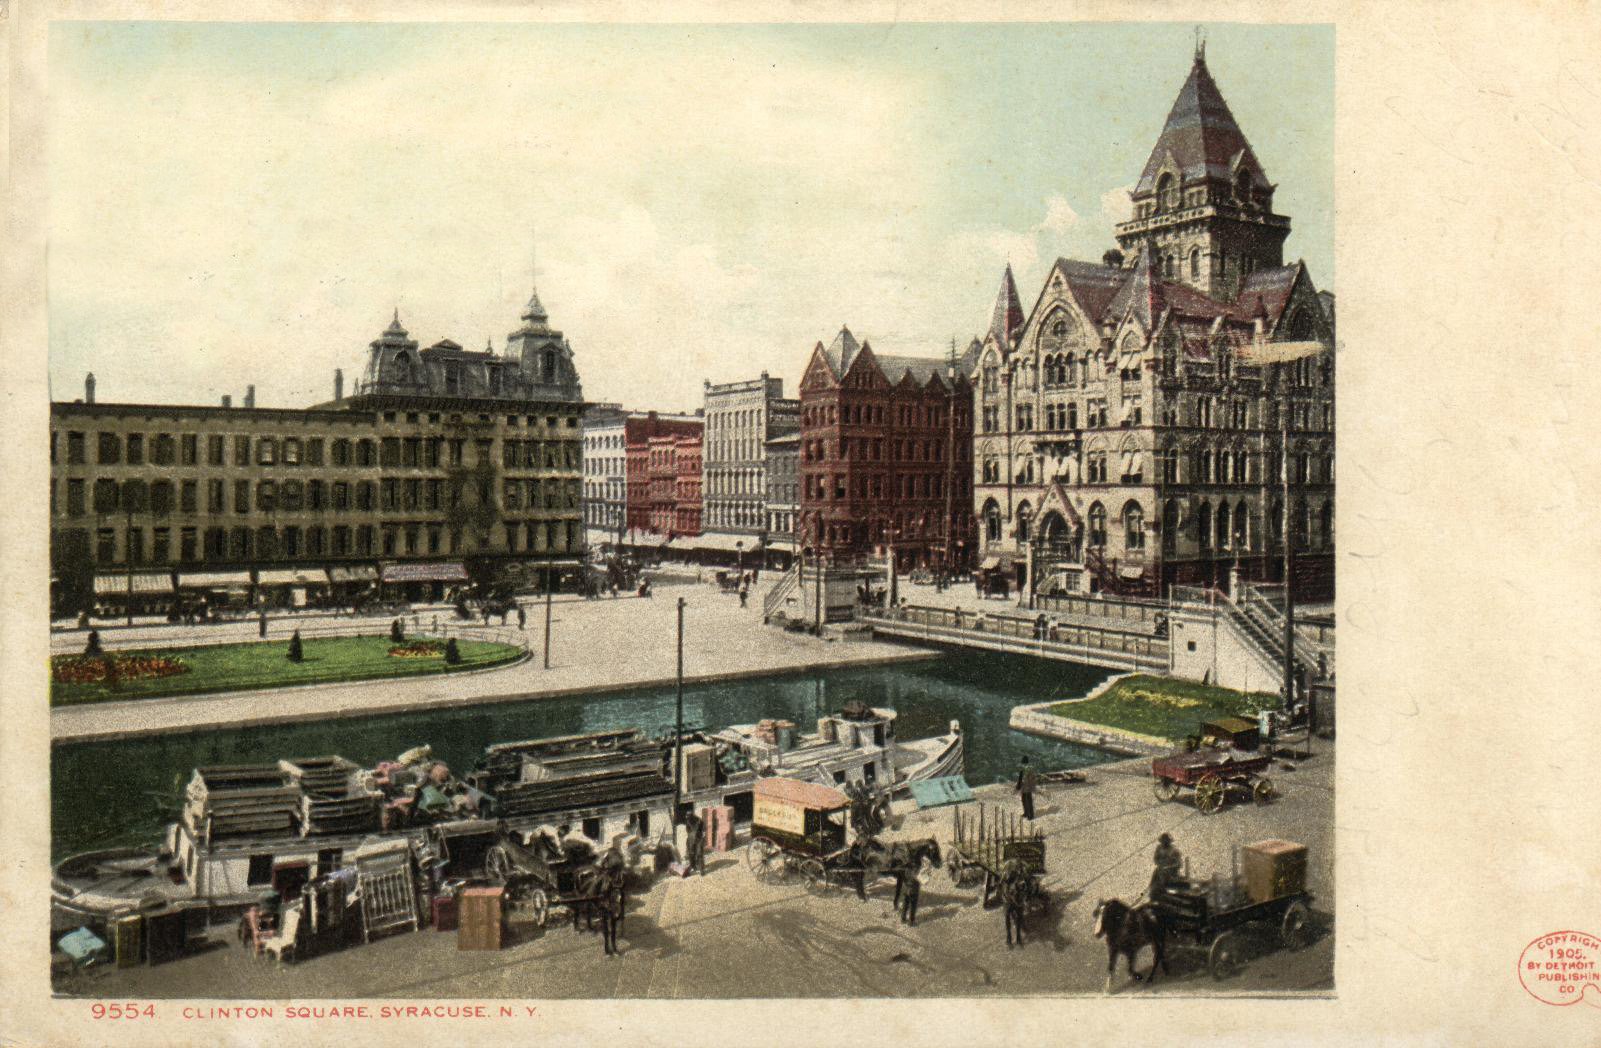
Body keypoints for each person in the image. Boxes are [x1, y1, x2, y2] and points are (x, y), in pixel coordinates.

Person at [1149, 832, 1183, 898]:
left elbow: (1179, 863)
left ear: (1169, 842)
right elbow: (1155, 858)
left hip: (1171, 871)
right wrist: (1160, 864)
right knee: (1155, 878)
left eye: (1166, 842)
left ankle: (1164, 892)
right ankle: (1154, 892)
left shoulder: (1174, 850)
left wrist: (1168, 867)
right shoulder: (1159, 848)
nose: (1164, 843)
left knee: (1165, 879)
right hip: (1160, 869)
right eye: (1163, 842)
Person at [899, 855, 927, 926]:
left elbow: (903, 877)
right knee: (913, 905)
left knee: (905, 904)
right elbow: (921, 878)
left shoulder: (905, 868)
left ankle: (903, 918)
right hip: (913, 889)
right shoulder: (917, 869)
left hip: (905, 888)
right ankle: (911, 921)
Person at [683, 810, 707, 876]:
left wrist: (701, 837)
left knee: (699, 853)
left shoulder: (699, 821)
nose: (687, 818)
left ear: (692, 816)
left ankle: (702, 869)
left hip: (699, 839)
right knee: (691, 854)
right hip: (691, 840)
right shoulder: (688, 821)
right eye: (687, 817)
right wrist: (691, 837)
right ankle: (693, 866)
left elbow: (704, 830)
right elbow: (687, 830)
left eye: (688, 817)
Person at [1015, 756, 1037, 821]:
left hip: (1026, 786)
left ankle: (1029, 814)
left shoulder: (1027, 769)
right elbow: (1021, 778)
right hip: (1026, 786)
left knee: (1027, 800)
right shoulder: (1029, 768)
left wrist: (1018, 786)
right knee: (1026, 800)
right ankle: (1028, 813)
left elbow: (1021, 778)